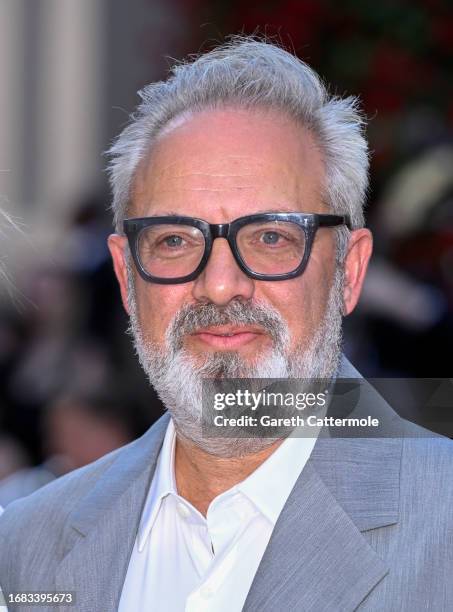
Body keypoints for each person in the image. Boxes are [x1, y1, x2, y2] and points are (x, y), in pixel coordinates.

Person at [1, 37, 453, 612]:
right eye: (174, 240)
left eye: (270, 238)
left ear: (349, 270)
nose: (219, 285)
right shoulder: (24, 546)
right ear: (124, 275)